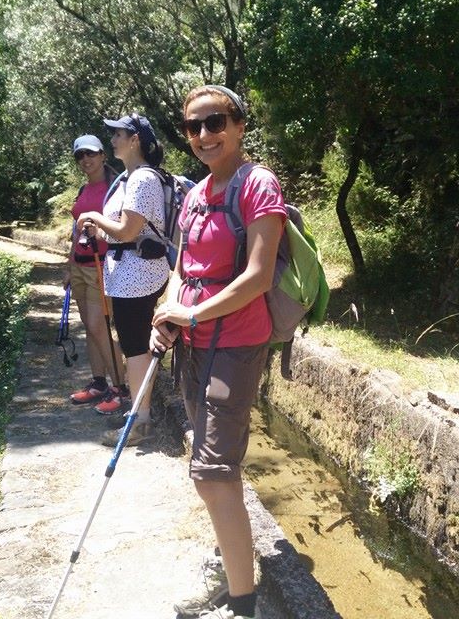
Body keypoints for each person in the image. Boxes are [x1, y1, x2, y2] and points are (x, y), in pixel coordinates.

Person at [150, 85, 285, 619]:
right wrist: (168, 313)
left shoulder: (258, 184)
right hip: (192, 344)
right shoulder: (194, 195)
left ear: (239, 125)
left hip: (236, 343)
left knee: (212, 471)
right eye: (194, 126)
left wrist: (192, 315)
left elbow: (258, 275)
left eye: (216, 122)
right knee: (211, 466)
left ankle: (242, 604)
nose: (204, 134)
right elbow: (182, 269)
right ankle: (230, 566)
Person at [77, 113, 170, 446]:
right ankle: (138, 413)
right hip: (128, 275)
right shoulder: (128, 179)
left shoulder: (142, 179)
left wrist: (94, 217)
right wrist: (100, 228)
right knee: (134, 345)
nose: (112, 139)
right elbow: (121, 229)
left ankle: (140, 421)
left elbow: (128, 231)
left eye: (118, 134)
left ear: (135, 140)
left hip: (138, 277)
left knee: (134, 347)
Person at [66, 134, 127, 415]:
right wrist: (69, 267)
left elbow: (123, 228)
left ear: (103, 155)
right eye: (80, 155)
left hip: (102, 266)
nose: (85, 159)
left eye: (90, 153)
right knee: (89, 327)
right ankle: (99, 382)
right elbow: (76, 232)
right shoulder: (83, 190)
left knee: (98, 326)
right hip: (80, 265)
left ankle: (120, 388)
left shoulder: (115, 189)